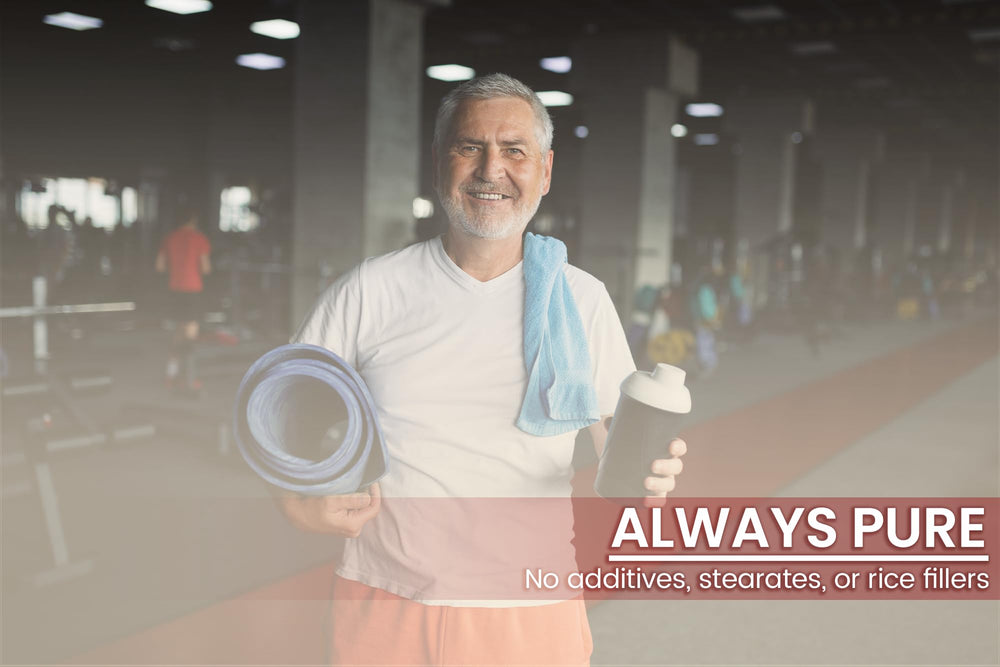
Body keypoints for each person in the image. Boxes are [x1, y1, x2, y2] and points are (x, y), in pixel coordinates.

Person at [284, 74, 687, 665]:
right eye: (470, 146)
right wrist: (294, 501)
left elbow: (618, 450)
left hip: (530, 609)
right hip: (384, 599)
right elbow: (280, 406)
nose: (491, 169)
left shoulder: (581, 300)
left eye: (514, 150)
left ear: (545, 172)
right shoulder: (371, 289)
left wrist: (652, 479)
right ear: (439, 163)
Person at [155, 205, 211, 394]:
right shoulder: (199, 238)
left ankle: (171, 375)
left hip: (175, 290)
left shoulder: (169, 238)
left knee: (178, 334)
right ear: (193, 220)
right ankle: (189, 378)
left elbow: (159, 266)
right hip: (192, 290)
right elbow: (206, 268)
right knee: (190, 335)